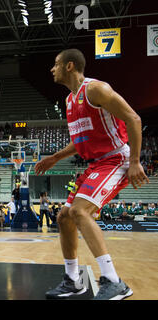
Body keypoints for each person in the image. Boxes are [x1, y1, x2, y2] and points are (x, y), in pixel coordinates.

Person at [35, 48, 149, 300]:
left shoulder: (96, 90)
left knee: (79, 211)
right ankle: (73, 281)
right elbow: (80, 141)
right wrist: (55, 157)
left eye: (55, 64)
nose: (51, 69)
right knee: (64, 216)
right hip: (94, 165)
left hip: (115, 159)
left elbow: (134, 119)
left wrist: (134, 161)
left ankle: (113, 280)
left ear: (69, 66)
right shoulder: (68, 101)